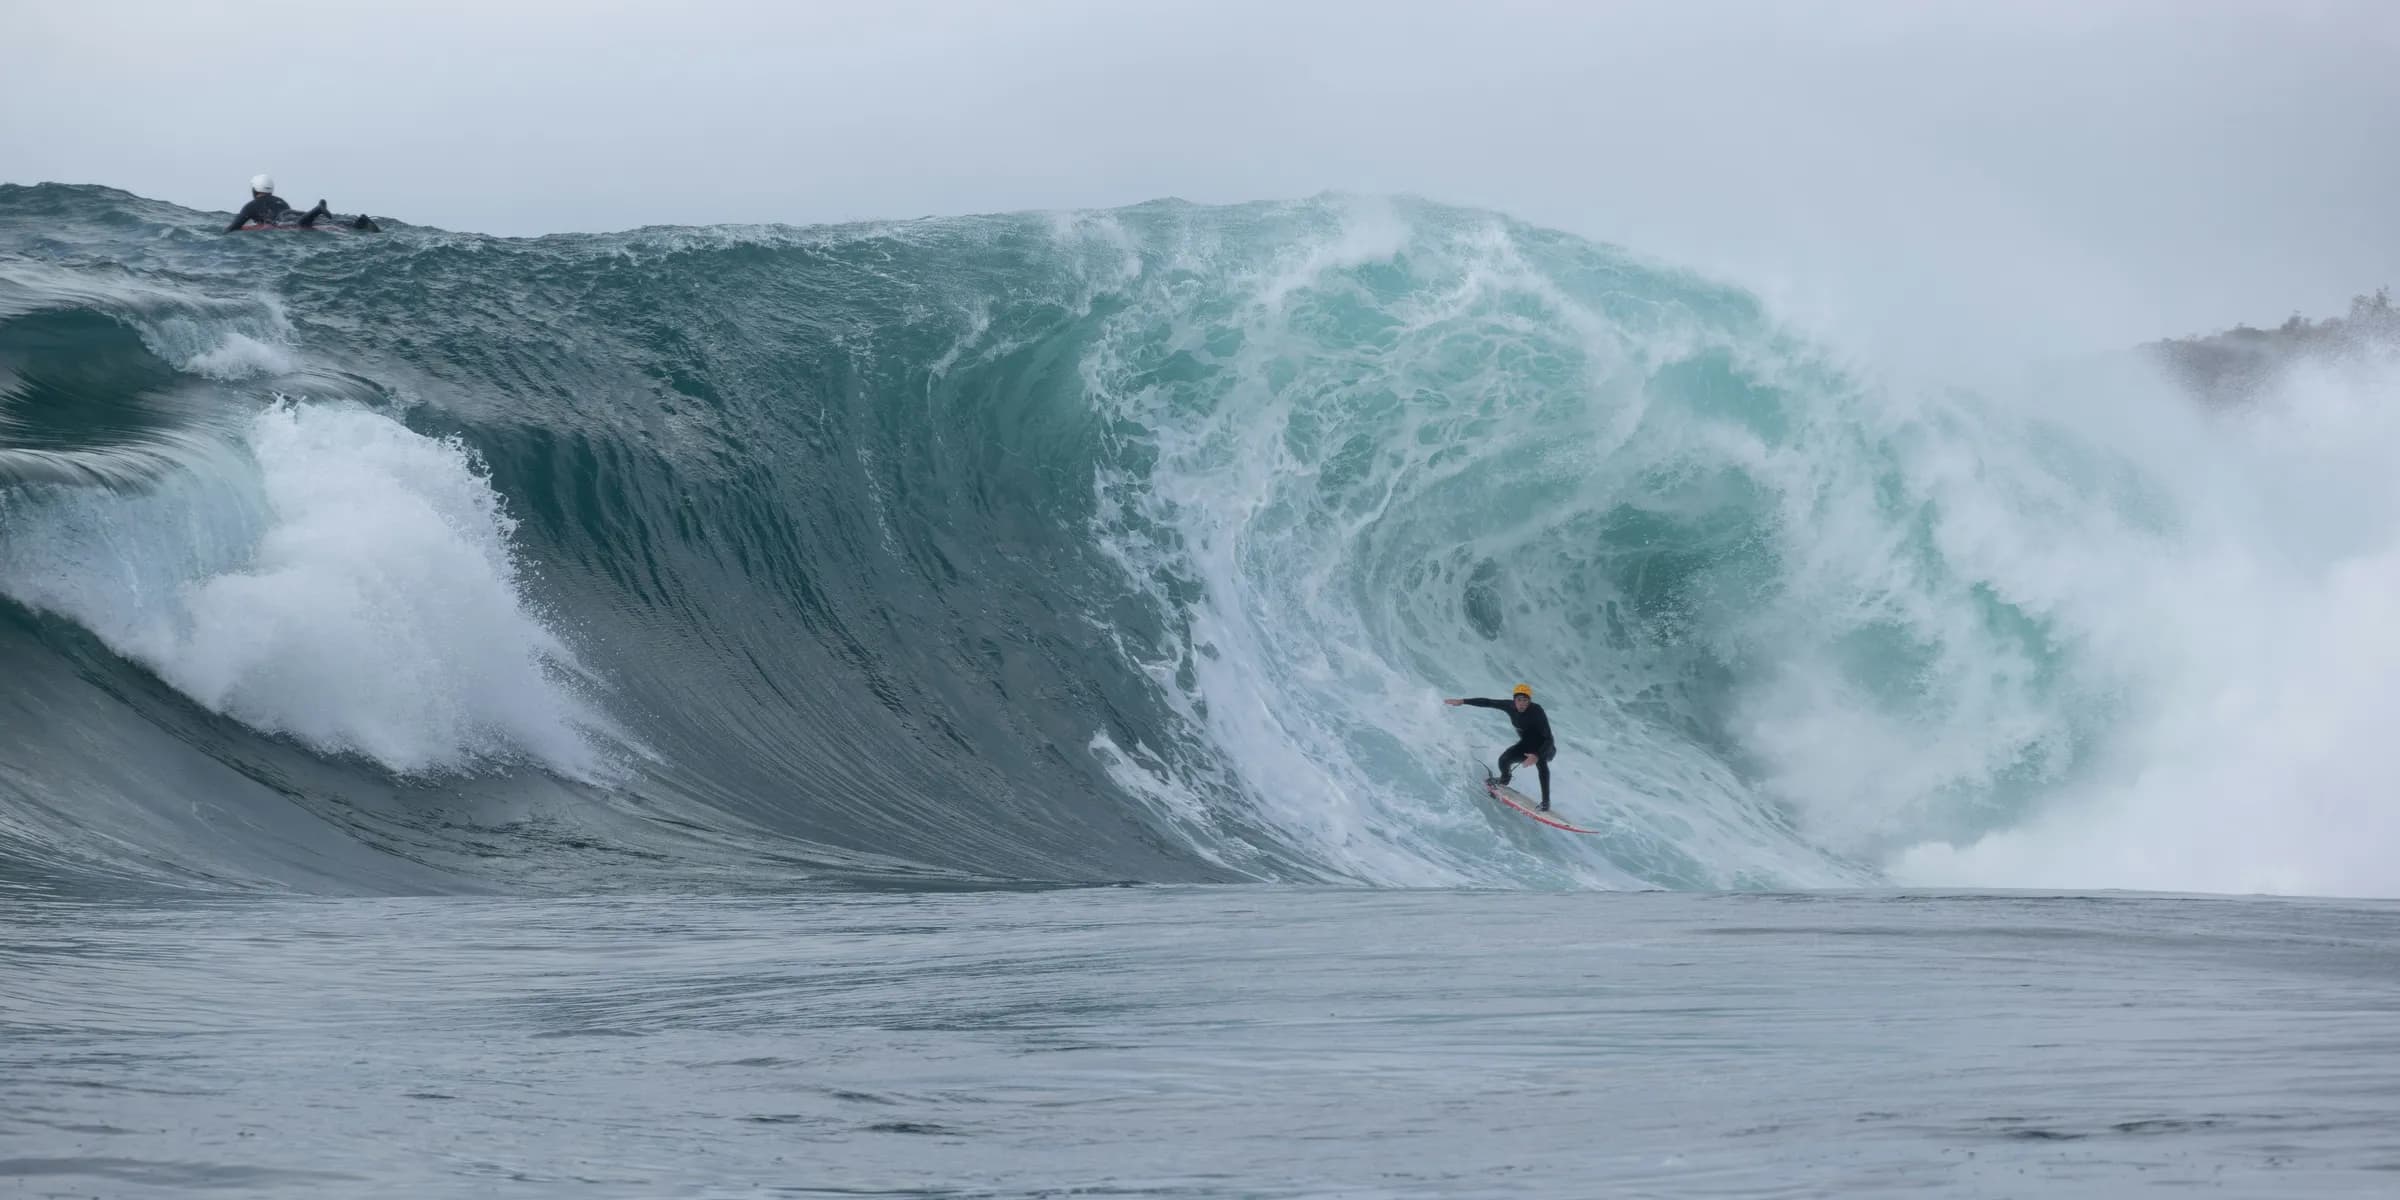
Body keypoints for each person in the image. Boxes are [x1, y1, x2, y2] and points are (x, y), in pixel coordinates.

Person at [1445, 684, 1558, 810]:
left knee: (1541, 764)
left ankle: (1546, 803)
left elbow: (1548, 738)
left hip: (1545, 748)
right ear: (1514, 700)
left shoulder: (1536, 711)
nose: (1522, 704)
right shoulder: (1509, 706)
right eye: (1519, 700)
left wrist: (1536, 755)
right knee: (1504, 760)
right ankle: (1504, 780)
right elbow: (1488, 702)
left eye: (1525, 700)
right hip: (1526, 746)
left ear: (1529, 701)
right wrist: (1463, 701)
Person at [226, 174, 379, 232]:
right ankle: (358, 223)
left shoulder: (250, 206)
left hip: (283, 219)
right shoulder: (280, 200)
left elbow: (232, 229)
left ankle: (318, 209)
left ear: (254, 189)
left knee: (301, 224)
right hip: (292, 213)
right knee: (317, 222)